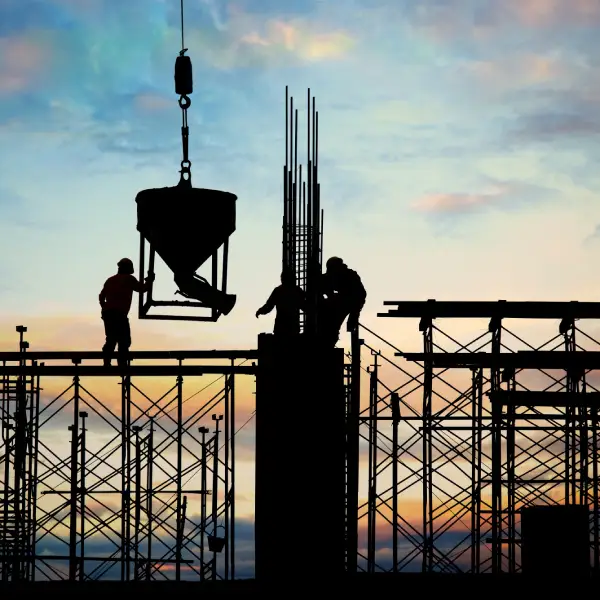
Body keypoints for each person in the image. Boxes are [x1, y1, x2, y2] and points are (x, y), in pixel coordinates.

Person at [99, 258, 154, 367]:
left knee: (111, 338)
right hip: (119, 314)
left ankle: (106, 362)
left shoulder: (110, 280)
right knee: (124, 339)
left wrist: (105, 307)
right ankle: (122, 364)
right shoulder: (129, 279)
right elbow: (142, 288)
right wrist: (150, 280)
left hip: (108, 313)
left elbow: (101, 296)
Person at [319, 256, 366, 347]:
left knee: (332, 326)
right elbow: (325, 283)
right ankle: (328, 340)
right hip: (347, 302)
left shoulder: (349, 277)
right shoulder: (338, 274)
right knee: (329, 325)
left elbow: (360, 296)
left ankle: (328, 341)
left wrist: (354, 314)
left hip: (351, 302)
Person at [256, 270, 306, 338]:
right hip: (293, 328)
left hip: (280, 328)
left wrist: (260, 311)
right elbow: (305, 306)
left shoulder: (278, 291)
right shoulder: (297, 291)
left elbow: (269, 306)